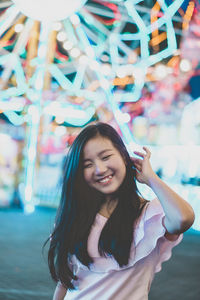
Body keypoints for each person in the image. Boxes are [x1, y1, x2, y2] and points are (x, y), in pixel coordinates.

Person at [46, 122, 195, 300]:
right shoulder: (76, 217)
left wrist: (151, 178)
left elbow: (184, 218)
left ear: (124, 157)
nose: (100, 169)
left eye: (106, 156)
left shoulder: (149, 217)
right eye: (87, 164)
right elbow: (66, 282)